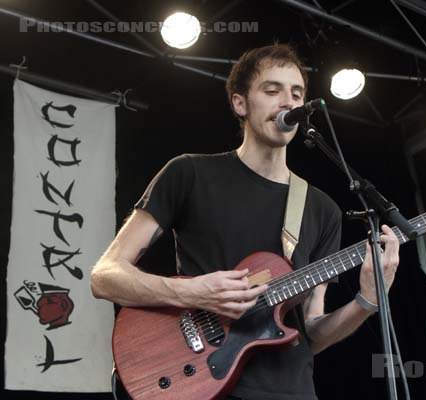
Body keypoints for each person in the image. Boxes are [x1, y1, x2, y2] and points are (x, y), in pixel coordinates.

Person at [91, 43, 400, 400]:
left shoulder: (322, 209)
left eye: (296, 94)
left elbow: (312, 333)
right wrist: (191, 292)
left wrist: (367, 300)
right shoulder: (189, 173)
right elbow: (105, 276)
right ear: (240, 103)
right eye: (272, 91)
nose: (288, 102)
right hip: (204, 385)